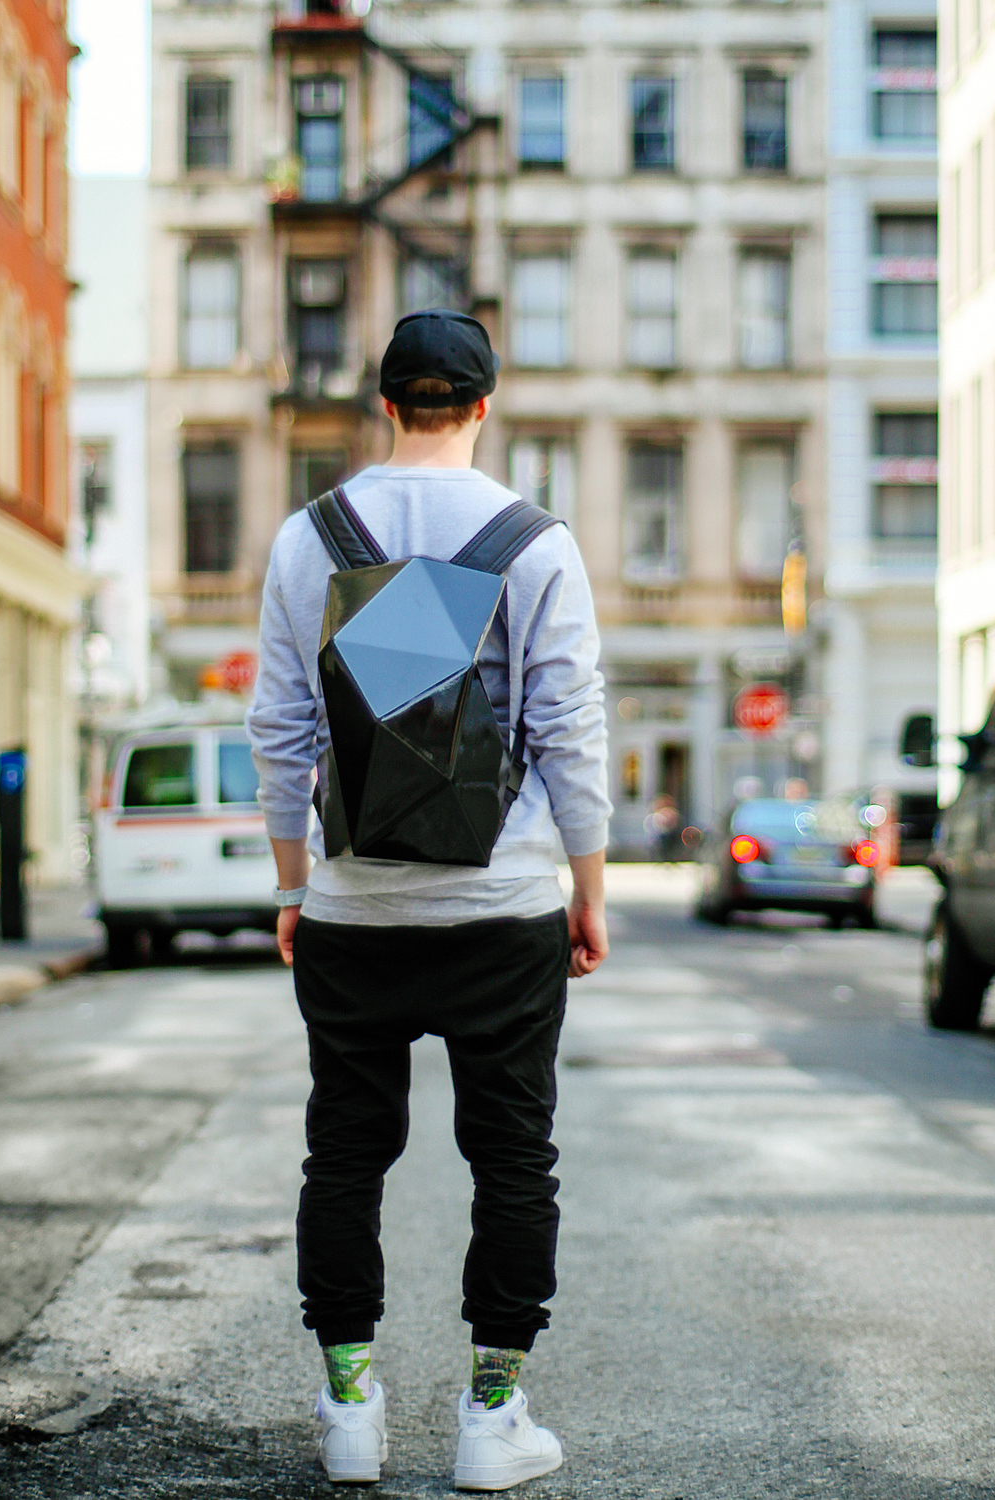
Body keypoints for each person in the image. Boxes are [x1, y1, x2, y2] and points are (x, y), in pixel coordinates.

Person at [247, 309, 611, 1491]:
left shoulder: (313, 537)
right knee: (513, 1158)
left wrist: (296, 884)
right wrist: (586, 888)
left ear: (386, 403)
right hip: (502, 908)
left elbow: (281, 729)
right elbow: (569, 730)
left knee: (344, 1155)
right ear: (483, 407)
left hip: (353, 909)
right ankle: (490, 1416)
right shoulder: (534, 540)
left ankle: (352, 1406)